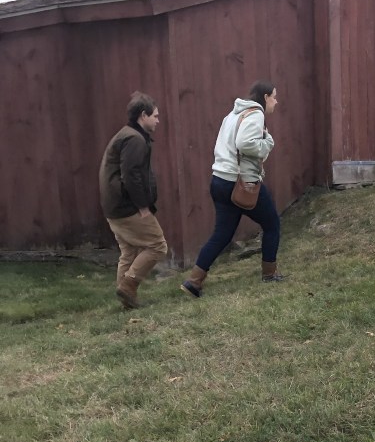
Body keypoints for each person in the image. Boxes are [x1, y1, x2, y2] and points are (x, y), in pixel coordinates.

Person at [182, 80, 285, 297]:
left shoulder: (231, 115)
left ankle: (194, 281)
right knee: (272, 224)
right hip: (241, 183)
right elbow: (245, 143)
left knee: (222, 234)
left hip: (219, 180)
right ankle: (269, 274)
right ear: (265, 97)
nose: (276, 101)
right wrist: (268, 143)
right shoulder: (256, 114)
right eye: (274, 97)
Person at [99, 91, 168, 310]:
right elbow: (131, 176)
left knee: (129, 252)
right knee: (158, 246)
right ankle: (128, 285)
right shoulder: (134, 139)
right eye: (155, 116)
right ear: (143, 115)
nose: (158, 120)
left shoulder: (127, 135)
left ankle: (126, 301)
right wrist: (142, 207)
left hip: (114, 207)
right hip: (127, 208)